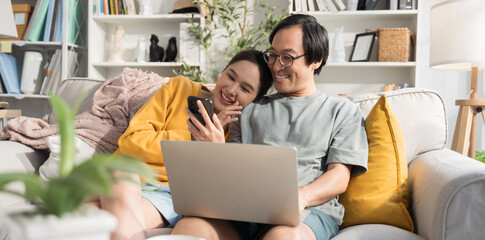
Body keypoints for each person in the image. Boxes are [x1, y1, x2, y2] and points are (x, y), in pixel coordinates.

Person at [173, 14, 369, 240]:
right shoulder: (248, 108)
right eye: (273, 55)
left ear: (317, 60)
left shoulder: (342, 110)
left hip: (307, 213)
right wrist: (216, 149)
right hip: (244, 212)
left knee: (284, 237)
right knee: (189, 228)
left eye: (287, 57)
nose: (276, 66)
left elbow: (339, 176)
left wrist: (300, 197)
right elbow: (232, 173)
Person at [89, 50, 273, 240]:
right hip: (121, 175)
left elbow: (218, 197)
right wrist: (195, 137)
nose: (231, 90)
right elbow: (131, 142)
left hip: (165, 196)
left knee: (87, 214)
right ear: (223, 71)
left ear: (256, 99)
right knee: (117, 176)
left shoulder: (238, 132)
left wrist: (217, 150)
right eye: (230, 76)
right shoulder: (179, 88)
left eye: (245, 89)